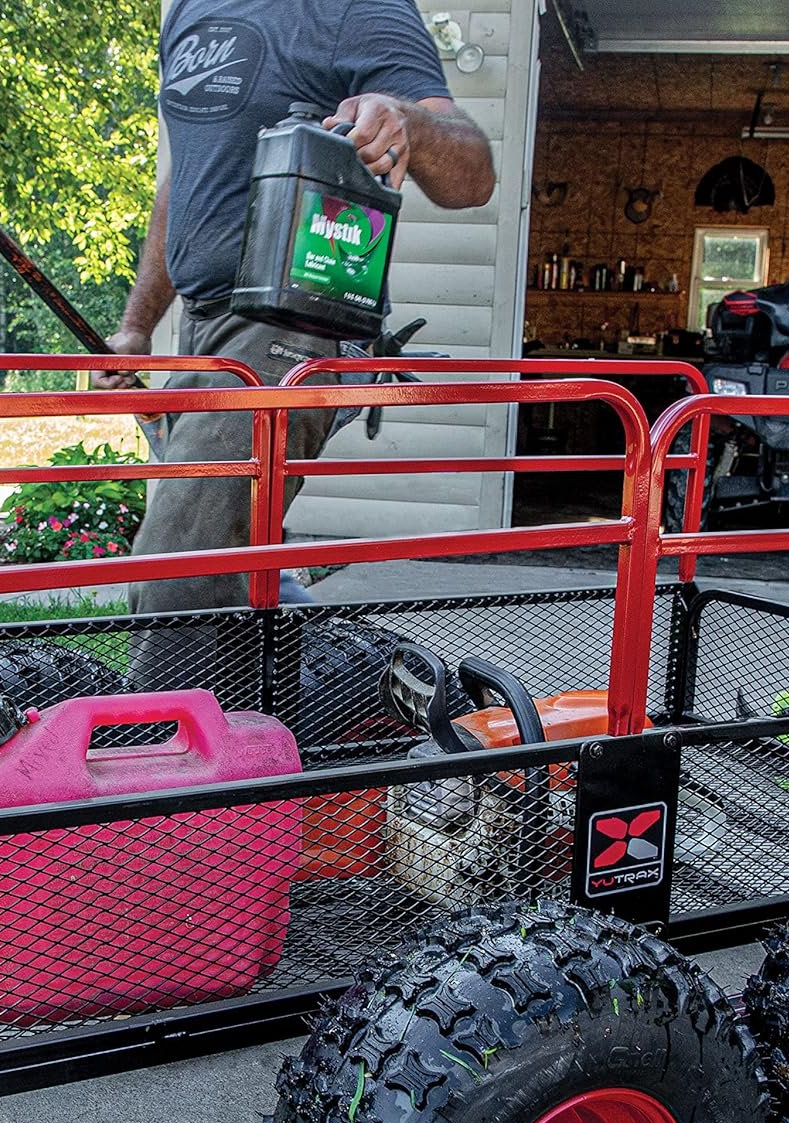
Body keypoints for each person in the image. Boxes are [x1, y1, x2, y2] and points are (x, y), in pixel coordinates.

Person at [99, 0, 495, 652]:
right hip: (202, 329)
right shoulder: (190, 12)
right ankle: (321, 693)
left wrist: (410, 127)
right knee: (229, 551)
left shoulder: (355, 9)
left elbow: (472, 174)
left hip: (291, 322)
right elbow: (188, 174)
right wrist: (138, 327)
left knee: (178, 572)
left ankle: (170, 746)